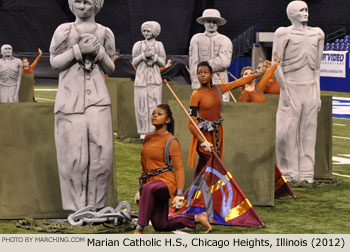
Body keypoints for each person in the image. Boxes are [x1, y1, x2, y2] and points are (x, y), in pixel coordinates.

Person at [49, 0, 116, 211]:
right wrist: (78, 50)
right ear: (71, 4)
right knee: (73, 157)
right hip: (70, 101)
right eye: (78, 1)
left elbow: (110, 67)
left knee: (102, 155)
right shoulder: (64, 29)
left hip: (98, 99)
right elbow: (54, 63)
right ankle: (76, 207)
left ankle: (95, 206)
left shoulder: (105, 32)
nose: (83, 6)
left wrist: (98, 52)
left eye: (88, 2)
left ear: (97, 5)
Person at [134, 104, 212, 234]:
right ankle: (196, 218)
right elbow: (144, 165)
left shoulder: (171, 140)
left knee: (149, 188)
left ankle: (139, 229)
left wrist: (179, 194)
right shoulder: (148, 138)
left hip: (165, 182)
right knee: (160, 225)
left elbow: (179, 169)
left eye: (159, 114)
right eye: (153, 113)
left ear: (167, 120)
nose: (154, 115)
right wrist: (140, 188)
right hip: (150, 183)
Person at [272, 0, 324, 183]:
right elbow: (275, 64)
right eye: (301, 10)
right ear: (292, 13)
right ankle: (288, 173)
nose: (306, 13)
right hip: (291, 87)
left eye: (306, 9)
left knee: (308, 132)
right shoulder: (283, 33)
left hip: (310, 88)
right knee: (285, 133)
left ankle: (306, 173)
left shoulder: (318, 34)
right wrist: (285, 90)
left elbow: (317, 68)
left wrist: (317, 94)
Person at [187, 61, 261, 178]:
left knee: (204, 167)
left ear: (211, 75)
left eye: (205, 72)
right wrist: (203, 141)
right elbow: (191, 123)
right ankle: (204, 193)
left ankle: (195, 193)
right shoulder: (196, 95)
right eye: (199, 73)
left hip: (217, 133)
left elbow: (238, 82)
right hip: (204, 134)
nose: (202, 75)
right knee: (211, 165)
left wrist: (258, 74)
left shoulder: (218, 89)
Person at [189, 9, 232, 102]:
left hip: (219, 81)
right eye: (208, 21)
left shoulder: (225, 40)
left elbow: (224, 62)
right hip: (201, 83)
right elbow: (193, 63)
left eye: (214, 22)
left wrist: (203, 67)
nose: (211, 24)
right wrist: (196, 82)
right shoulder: (196, 39)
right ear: (204, 22)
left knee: (220, 110)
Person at [132, 21, 166, 139]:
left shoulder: (159, 45)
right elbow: (134, 62)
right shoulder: (138, 45)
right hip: (141, 79)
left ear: (155, 32)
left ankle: (154, 129)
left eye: (148, 31)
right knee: (141, 105)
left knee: (154, 104)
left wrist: (154, 57)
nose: (146, 33)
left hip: (155, 79)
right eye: (144, 31)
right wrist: (143, 56)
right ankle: (142, 131)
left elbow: (163, 62)